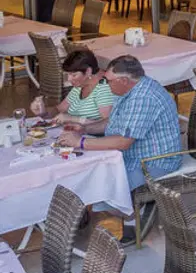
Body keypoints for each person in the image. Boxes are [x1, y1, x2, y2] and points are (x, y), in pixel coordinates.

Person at [58, 55, 182, 224]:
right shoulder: (129, 89)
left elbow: (123, 142)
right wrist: (85, 129)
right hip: (132, 154)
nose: (105, 84)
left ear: (123, 80)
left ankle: (135, 216)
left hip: (154, 161)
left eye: (108, 81)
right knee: (91, 175)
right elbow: (113, 122)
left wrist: (79, 142)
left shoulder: (143, 98)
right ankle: (126, 206)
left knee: (103, 190)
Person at [29, 49, 114, 124]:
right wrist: (44, 112)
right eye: (68, 74)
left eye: (73, 75)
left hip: (92, 139)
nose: (69, 79)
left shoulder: (103, 88)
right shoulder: (81, 84)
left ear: (88, 71)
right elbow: (59, 109)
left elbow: (108, 125)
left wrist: (75, 120)